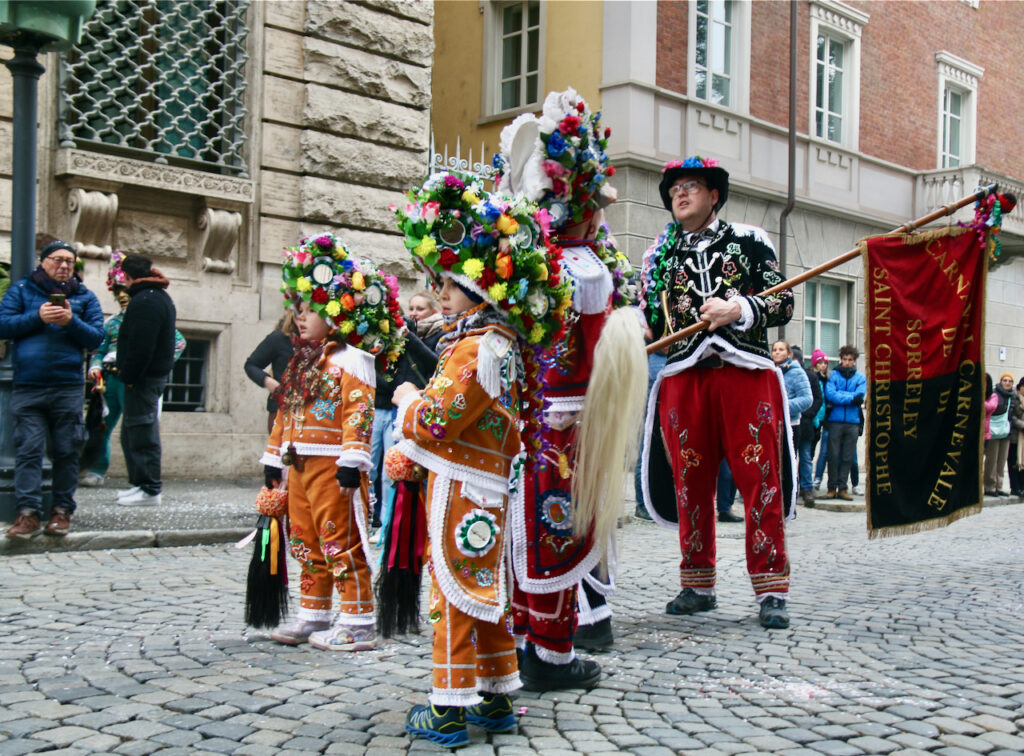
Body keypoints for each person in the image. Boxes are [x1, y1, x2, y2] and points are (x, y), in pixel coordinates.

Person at [393, 173, 573, 746]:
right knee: (483, 591)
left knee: (453, 590)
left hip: (460, 486)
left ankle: (448, 705)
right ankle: (494, 699)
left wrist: (404, 401)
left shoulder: (477, 347)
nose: (441, 294)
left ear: (483, 293)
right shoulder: (503, 346)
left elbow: (438, 419)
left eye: (450, 285)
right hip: (486, 487)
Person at [492, 87, 644, 682]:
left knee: (532, 530)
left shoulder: (528, 259)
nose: (598, 216)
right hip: (564, 424)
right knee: (561, 529)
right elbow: (590, 344)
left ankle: (529, 636)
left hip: (525, 421)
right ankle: (552, 652)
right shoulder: (581, 266)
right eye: (594, 204)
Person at [638, 155, 796, 630]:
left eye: (690, 186)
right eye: (673, 190)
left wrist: (738, 309)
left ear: (713, 195)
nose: (679, 194)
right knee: (691, 484)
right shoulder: (656, 256)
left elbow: (782, 299)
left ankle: (770, 587)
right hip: (684, 376)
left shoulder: (750, 240)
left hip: (745, 373)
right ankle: (697, 583)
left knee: (759, 480)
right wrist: (638, 329)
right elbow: (651, 318)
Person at [261, 232, 405, 651]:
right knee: (305, 539)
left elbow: (358, 409)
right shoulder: (302, 358)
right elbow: (286, 410)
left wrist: (352, 458)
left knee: (339, 537)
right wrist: (274, 458)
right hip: (300, 463)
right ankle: (314, 612)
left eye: (310, 310)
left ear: (335, 315)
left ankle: (358, 620)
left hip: (332, 466)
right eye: (298, 310)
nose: (300, 317)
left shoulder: (351, 358)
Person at [0, 240, 104, 538]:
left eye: (70, 262)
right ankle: (28, 514)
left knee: (67, 451)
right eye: (58, 260)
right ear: (43, 262)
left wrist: (71, 321)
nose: (64, 266)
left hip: (67, 387)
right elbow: (2, 324)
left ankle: (61, 512)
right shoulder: (22, 290)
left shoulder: (84, 297)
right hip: (28, 386)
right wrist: (38, 317)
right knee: (29, 450)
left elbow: (96, 337)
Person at [82, 252, 185, 487]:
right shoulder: (112, 322)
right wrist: (96, 366)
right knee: (103, 426)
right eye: (117, 293)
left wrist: (159, 366)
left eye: (123, 289)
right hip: (110, 378)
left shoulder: (148, 304)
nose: (122, 296)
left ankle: (142, 482)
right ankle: (98, 468)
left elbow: (175, 342)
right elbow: (99, 347)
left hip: (133, 376)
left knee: (138, 428)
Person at [115, 254, 178, 506]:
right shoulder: (153, 297)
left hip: (144, 377)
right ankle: (141, 483)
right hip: (146, 375)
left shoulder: (146, 300)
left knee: (142, 430)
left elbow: (141, 347)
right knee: (134, 430)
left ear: (128, 277)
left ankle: (150, 488)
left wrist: (129, 376)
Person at [823, 345, 865, 502]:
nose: (847, 362)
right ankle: (831, 487)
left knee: (847, 457)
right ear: (841, 359)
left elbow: (860, 396)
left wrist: (844, 396)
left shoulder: (860, 378)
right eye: (845, 359)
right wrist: (850, 398)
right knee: (832, 455)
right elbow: (831, 395)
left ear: (854, 361)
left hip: (852, 422)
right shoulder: (834, 375)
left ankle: (843, 487)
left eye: (850, 360)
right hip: (835, 420)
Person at [773, 340, 812, 506]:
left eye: (781, 350)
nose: (777, 352)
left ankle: (789, 503)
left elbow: (807, 399)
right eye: (774, 349)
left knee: (788, 465)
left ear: (789, 354)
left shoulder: (797, 372)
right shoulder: (770, 371)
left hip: (791, 426)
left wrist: (783, 406)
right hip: (772, 425)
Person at [244, 311, 296, 434]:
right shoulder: (278, 338)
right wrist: (268, 381)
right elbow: (251, 365)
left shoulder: (322, 339)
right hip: (281, 410)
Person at [791, 346, 822, 505]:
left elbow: (817, 398)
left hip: (805, 424)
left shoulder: (810, 376)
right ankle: (792, 488)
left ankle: (807, 488)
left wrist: (808, 414)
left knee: (805, 457)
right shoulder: (784, 373)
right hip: (791, 424)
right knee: (791, 457)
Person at [984, 372, 1015, 496]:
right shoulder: (994, 394)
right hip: (994, 431)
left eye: (1010, 381)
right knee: (992, 460)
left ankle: (999, 486)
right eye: (1005, 380)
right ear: (1001, 382)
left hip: (1006, 431)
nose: (1007, 383)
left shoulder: (1012, 396)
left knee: (1002, 460)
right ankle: (989, 486)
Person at [1010, 378, 1024, 498]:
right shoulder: (1015, 398)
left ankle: (1022, 486)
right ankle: (1015, 487)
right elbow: (1012, 417)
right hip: (1015, 436)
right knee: (1014, 462)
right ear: (1019, 387)